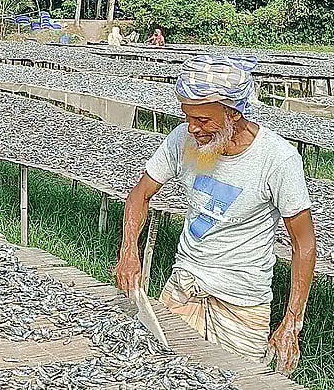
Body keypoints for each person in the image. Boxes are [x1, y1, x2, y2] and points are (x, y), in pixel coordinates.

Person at [115, 55, 316, 374]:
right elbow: (140, 194)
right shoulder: (183, 140)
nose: (193, 127)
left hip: (241, 300)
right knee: (163, 372)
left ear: (234, 113)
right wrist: (129, 251)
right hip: (185, 285)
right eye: (188, 116)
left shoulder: (277, 159)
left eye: (204, 120)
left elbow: (303, 242)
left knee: (238, 379)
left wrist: (293, 320)